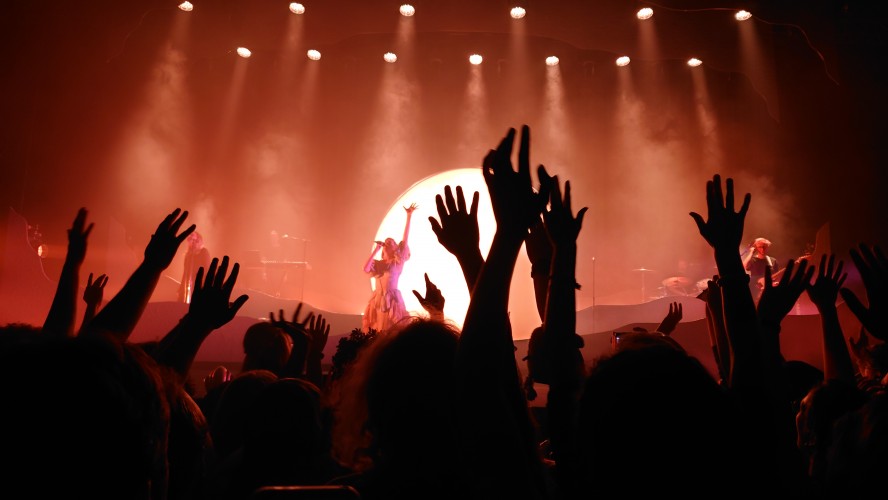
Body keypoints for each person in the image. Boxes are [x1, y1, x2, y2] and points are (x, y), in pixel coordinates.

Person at [361, 203, 417, 333]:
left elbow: (405, 240)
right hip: (377, 300)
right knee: (375, 329)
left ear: (395, 248)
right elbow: (365, 269)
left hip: (391, 300)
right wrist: (376, 250)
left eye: (391, 242)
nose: (387, 243)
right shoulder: (379, 264)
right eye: (386, 242)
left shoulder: (397, 262)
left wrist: (409, 216)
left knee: (391, 328)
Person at [178, 231, 211, 303]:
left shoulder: (204, 252)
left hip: (199, 284)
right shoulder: (188, 255)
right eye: (190, 239)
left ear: (199, 240)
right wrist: (181, 288)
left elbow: (207, 270)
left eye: (195, 240)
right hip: (188, 286)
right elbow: (185, 273)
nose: (193, 242)